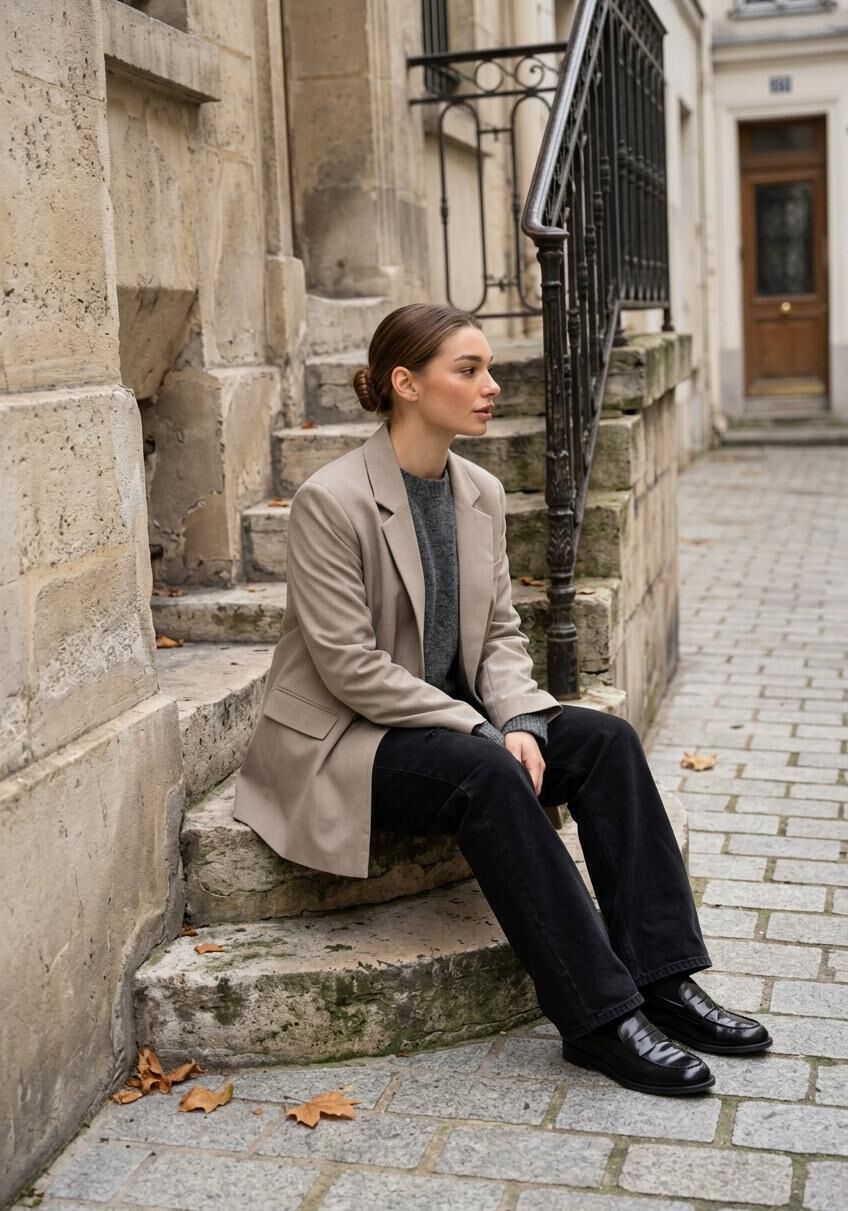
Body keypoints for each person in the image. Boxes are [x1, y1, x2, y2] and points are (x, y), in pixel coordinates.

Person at [234, 302, 771, 1096]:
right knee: (487, 772)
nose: (492, 386)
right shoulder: (331, 499)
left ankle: (663, 977)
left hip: (446, 723)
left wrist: (519, 716)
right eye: (470, 370)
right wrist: (485, 730)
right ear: (405, 383)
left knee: (606, 742)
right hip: (348, 739)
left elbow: (499, 636)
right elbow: (350, 668)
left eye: (488, 368)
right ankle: (598, 1019)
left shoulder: (479, 491)